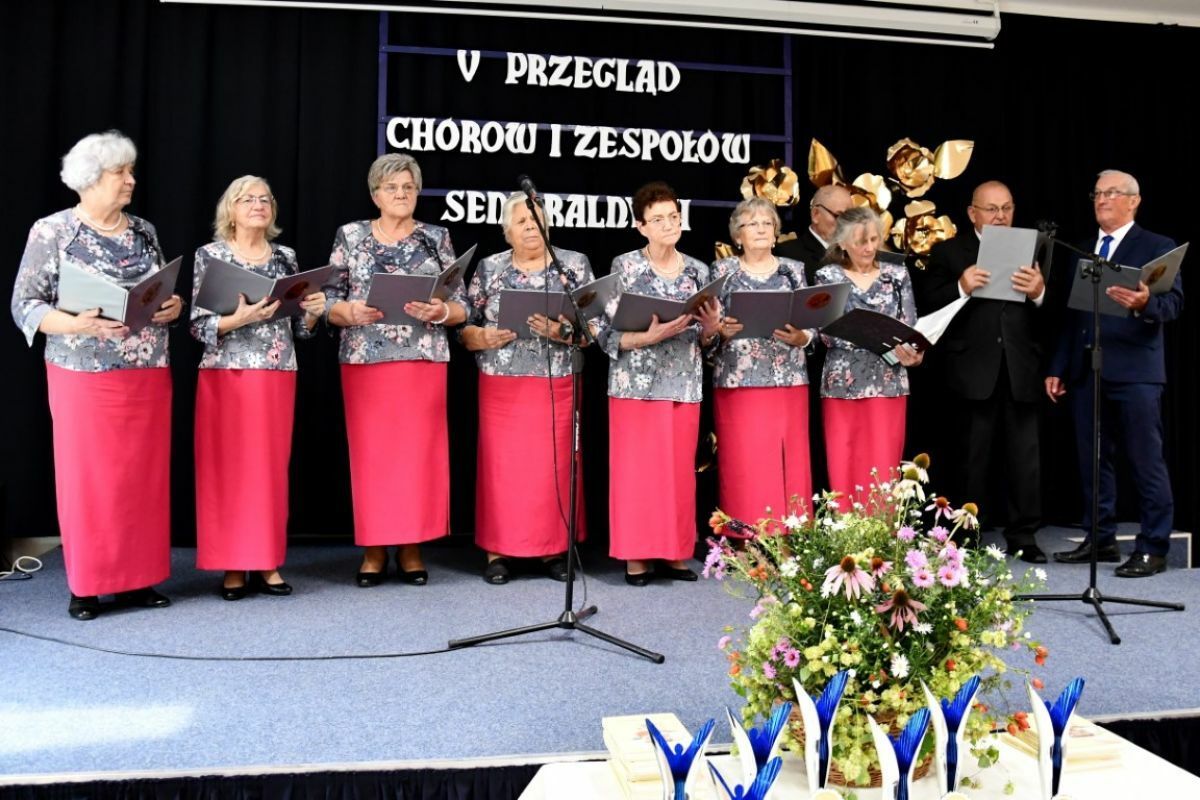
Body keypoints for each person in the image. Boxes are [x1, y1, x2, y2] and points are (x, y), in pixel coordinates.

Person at [10, 130, 183, 620]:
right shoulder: (53, 231)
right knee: (90, 480)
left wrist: (172, 306)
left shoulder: (144, 230)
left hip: (148, 371)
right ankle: (87, 585)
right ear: (90, 179)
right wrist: (75, 324)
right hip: (82, 373)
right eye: (120, 173)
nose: (131, 180)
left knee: (142, 478)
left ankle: (138, 581)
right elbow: (25, 304)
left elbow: (158, 291)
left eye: (131, 171)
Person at [323, 153, 467, 587]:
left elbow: (462, 304)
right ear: (375, 195)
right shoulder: (350, 235)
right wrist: (347, 311)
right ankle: (373, 549)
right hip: (366, 361)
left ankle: (411, 547)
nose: (401, 194)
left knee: (416, 458)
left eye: (408, 187)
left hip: (422, 360)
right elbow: (326, 300)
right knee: (373, 458)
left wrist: (443, 311)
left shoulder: (436, 238)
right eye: (391, 188)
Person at [191, 176, 326, 600]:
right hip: (225, 374)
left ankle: (267, 561)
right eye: (248, 199)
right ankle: (232, 565)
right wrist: (239, 320)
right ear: (230, 209)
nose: (258, 205)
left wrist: (313, 313)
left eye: (265, 199)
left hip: (276, 374)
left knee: (267, 471)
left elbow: (300, 330)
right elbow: (197, 325)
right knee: (227, 469)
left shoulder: (286, 257)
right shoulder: (211, 256)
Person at [1046, 170, 1183, 577]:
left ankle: (1153, 547)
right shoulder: (1083, 249)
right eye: (1097, 193)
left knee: (1145, 460)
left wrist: (1145, 304)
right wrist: (1058, 367)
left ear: (1133, 201)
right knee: (1093, 460)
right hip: (1088, 369)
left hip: (1137, 371)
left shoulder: (1157, 246)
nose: (1102, 199)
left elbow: (1173, 305)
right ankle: (1100, 538)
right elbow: (1072, 317)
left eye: (1111, 193)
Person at [461, 193, 592, 584]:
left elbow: (595, 330)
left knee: (554, 466)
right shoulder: (490, 268)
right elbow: (463, 326)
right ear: (507, 231)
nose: (530, 227)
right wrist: (481, 337)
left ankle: (553, 550)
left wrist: (562, 331)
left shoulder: (573, 265)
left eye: (536, 220)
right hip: (501, 384)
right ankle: (497, 552)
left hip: (557, 381)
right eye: (521, 221)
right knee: (502, 469)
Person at [596, 181, 722, 586]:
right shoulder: (624, 266)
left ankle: (673, 553)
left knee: (677, 474)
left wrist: (712, 329)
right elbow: (603, 331)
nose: (669, 224)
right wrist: (645, 337)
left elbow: (708, 342)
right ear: (641, 226)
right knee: (637, 474)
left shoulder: (699, 271)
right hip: (634, 384)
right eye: (658, 219)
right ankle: (635, 557)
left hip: (683, 383)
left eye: (674, 217)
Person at [917, 181, 1047, 563]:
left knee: (1025, 460)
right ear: (972, 213)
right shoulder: (948, 251)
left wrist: (1039, 293)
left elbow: (1053, 315)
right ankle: (966, 535)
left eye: (1006, 208)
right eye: (991, 209)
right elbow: (926, 305)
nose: (1000, 216)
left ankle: (1024, 536)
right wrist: (961, 287)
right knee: (971, 458)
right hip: (970, 370)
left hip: (1020, 368)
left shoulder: (1035, 247)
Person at [711, 196, 813, 523]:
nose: (760, 229)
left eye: (767, 223)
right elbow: (708, 327)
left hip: (788, 380)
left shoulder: (793, 270)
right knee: (745, 461)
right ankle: (746, 534)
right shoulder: (722, 271)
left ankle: (790, 534)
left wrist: (803, 337)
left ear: (776, 232)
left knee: (789, 461)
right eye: (752, 223)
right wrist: (721, 331)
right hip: (738, 382)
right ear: (737, 236)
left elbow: (812, 322)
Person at [815, 206, 922, 502]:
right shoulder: (827, 276)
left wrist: (913, 352)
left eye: (874, 240)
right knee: (844, 460)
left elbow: (910, 327)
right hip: (842, 384)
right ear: (842, 243)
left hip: (888, 382)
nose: (869, 248)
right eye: (861, 242)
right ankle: (844, 526)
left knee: (884, 464)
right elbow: (825, 333)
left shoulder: (897, 275)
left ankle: (882, 527)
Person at [775, 184, 853, 284]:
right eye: (838, 216)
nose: (845, 224)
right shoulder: (788, 255)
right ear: (816, 214)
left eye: (850, 218)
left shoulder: (856, 253)